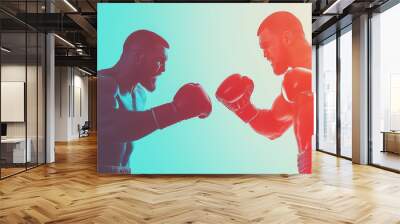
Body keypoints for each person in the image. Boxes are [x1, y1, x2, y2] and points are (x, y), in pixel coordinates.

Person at [98, 30, 212, 173]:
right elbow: (111, 127)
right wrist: (176, 111)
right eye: (159, 61)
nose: (163, 69)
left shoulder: (140, 96)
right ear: (139, 57)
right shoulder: (103, 82)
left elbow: (130, 133)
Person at [215, 11, 313, 174]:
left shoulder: (326, 67)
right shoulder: (293, 86)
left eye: (266, 45)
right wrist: (244, 109)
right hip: (308, 172)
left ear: (287, 38)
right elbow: (274, 126)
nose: (265, 55)